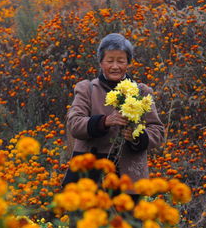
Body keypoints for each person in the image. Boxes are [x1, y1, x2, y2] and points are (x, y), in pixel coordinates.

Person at [62, 33, 165, 188]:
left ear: (128, 63)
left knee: (127, 213)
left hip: (129, 178)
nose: (115, 66)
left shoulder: (142, 92)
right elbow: (74, 124)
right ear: (101, 62)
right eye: (110, 61)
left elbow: (157, 131)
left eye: (121, 61)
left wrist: (137, 136)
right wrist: (104, 121)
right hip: (88, 177)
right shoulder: (87, 89)